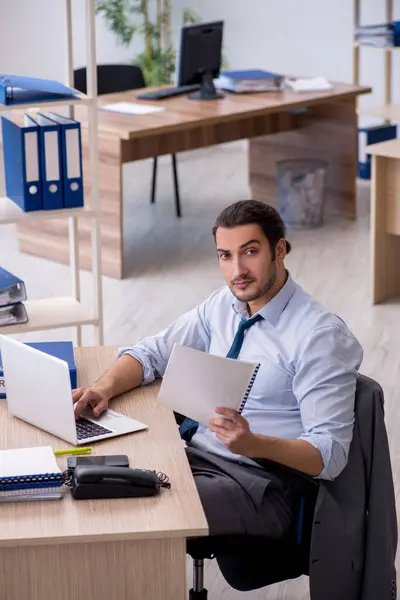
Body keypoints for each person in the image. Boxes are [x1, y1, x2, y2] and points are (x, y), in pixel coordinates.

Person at [73, 200, 363, 538]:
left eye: (250, 252)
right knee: (89, 477)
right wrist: (103, 387)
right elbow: (151, 353)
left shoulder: (320, 337)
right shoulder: (224, 305)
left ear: (279, 250)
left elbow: (330, 455)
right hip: (197, 455)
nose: (237, 269)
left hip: (263, 482)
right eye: (225, 255)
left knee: (130, 511)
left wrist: (253, 443)